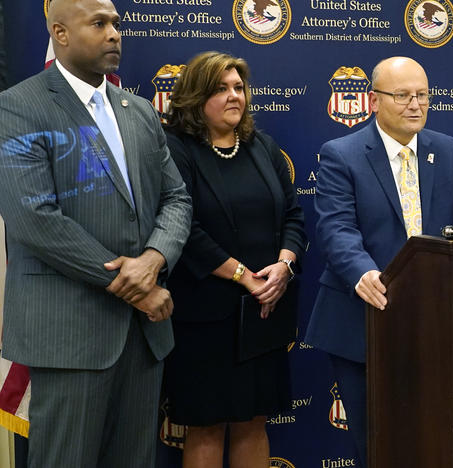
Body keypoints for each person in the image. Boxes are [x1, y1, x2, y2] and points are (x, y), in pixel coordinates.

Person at [0, 0, 192, 466]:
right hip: (70, 336)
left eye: (117, 24)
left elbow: (177, 199)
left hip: (141, 339)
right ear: (60, 34)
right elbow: (34, 219)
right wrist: (133, 288)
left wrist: (153, 261)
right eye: (99, 24)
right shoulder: (18, 106)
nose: (114, 34)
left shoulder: (141, 110)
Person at [305, 56, 453, 467]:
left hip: (439, 324)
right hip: (365, 320)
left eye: (423, 95)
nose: (415, 105)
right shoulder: (342, 154)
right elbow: (336, 229)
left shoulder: (447, 150)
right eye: (403, 95)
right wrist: (362, 272)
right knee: (377, 444)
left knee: (437, 439)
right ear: (374, 101)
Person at [163, 51, 306, 468]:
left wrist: (284, 265)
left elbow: (294, 215)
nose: (233, 96)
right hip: (204, 312)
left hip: (264, 310)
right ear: (195, 96)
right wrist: (243, 276)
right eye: (221, 88)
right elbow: (183, 228)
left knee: (253, 421)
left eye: (238, 87)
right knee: (206, 424)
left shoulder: (262, 146)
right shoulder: (176, 149)